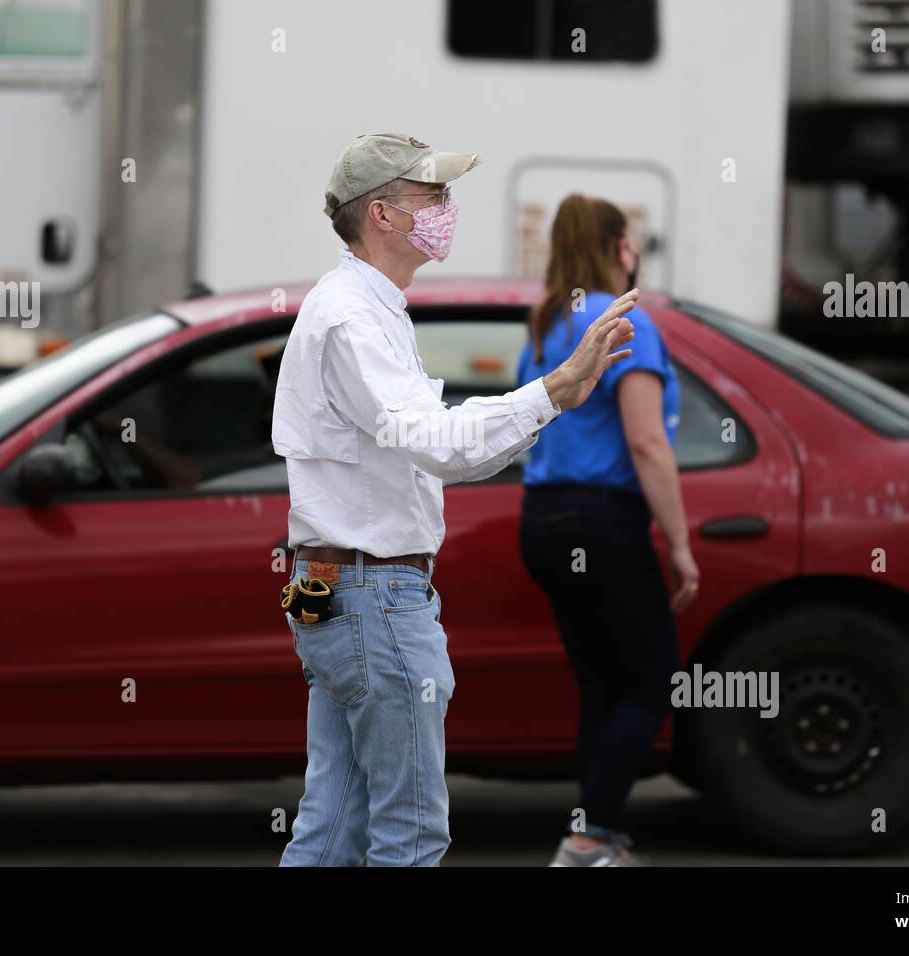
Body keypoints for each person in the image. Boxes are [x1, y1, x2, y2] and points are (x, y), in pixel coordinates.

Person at [272, 135, 639, 866]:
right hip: (373, 596)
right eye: (430, 195)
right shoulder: (354, 317)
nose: (447, 210)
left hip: (337, 590)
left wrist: (549, 401)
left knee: (333, 827)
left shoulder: (363, 309)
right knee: (408, 835)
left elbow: (438, 448)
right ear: (381, 213)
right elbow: (436, 443)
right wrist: (552, 393)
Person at [516, 193, 700, 867]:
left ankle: (602, 832)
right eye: (634, 246)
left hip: (543, 519)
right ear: (618, 249)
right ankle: (589, 839)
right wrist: (679, 542)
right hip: (602, 519)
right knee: (652, 681)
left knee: (603, 684)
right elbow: (647, 441)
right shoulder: (626, 321)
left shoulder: (544, 324)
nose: (637, 259)